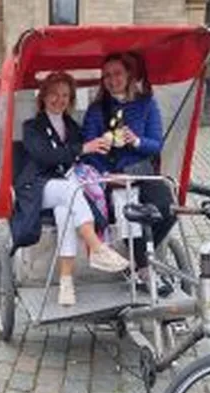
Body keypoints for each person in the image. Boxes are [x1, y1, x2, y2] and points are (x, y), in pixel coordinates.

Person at [12, 71, 130, 306]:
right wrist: (82, 149)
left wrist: (104, 165)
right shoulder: (32, 126)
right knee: (70, 191)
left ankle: (66, 283)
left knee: (65, 211)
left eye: (65, 95)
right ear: (43, 96)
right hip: (36, 187)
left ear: (71, 99)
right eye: (54, 94)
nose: (59, 100)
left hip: (64, 190)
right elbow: (46, 157)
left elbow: (80, 161)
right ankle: (97, 247)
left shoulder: (72, 126)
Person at [81, 52, 174, 295]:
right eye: (107, 76)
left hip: (141, 172)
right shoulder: (95, 111)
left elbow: (156, 144)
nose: (112, 80)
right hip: (112, 175)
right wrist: (106, 173)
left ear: (129, 74)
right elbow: (88, 153)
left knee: (168, 206)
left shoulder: (146, 104)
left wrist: (136, 141)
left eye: (117, 74)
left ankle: (140, 261)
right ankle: (144, 269)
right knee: (129, 214)